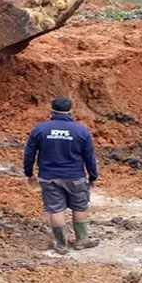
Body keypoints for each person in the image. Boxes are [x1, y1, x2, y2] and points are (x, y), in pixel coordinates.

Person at [23, 96, 99, 254]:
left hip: (49, 177)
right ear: (71, 111)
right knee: (80, 207)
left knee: (55, 210)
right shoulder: (81, 131)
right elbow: (89, 157)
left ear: (51, 110)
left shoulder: (40, 129)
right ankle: (81, 240)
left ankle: (61, 245)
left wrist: (28, 173)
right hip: (75, 177)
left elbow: (29, 153)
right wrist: (93, 176)